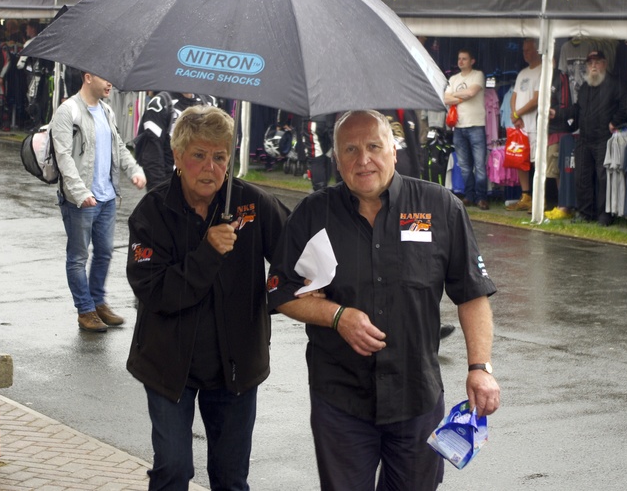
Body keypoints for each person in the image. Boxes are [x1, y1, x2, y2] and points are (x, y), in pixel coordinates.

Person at [267, 110, 500, 491]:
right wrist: (336, 315)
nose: (364, 160)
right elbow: (282, 291)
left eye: (374, 146)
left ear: (393, 148)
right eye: (351, 149)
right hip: (340, 399)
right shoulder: (313, 214)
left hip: (416, 398)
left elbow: (472, 294)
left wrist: (480, 367)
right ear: (336, 157)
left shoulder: (439, 207)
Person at [126, 105, 289, 490]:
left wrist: (278, 299)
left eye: (220, 157)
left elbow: (299, 256)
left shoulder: (251, 203)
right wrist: (208, 252)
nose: (210, 167)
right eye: (199, 155)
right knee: (172, 470)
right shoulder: (152, 213)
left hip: (235, 368)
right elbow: (156, 292)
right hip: (168, 367)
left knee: (232, 479)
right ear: (178, 157)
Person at [50, 71, 146, 332]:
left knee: (104, 252)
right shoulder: (68, 111)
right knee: (78, 256)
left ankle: (98, 302)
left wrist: (134, 170)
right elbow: (64, 157)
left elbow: (119, 147)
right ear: (88, 77)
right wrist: (81, 192)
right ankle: (85, 310)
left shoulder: (107, 111)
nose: (110, 82)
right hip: (79, 201)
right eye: (105, 77)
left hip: (107, 197)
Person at [573, 50, 627, 226]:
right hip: (584, 139)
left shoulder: (614, 84)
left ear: (604, 64)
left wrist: (615, 122)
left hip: (603, 138)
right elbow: (576, 110)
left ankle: (604, 215)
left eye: (597, 62)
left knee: (604, 178)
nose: (593, 66)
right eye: (590, 63)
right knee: (582, 176)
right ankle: (584, 212)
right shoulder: (584, 87)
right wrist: (557, 114)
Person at [134, 91, 211, 190]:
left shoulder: (208, 103)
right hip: (170, 183)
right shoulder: (160, 104)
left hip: (198, 184)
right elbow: (152, 154)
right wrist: (159, 192)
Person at [444, 49, 489, 210]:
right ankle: (469, 195)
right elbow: (445, 98)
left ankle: (481, 197)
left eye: (464, 59)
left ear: (472, 61)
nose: (460, 61)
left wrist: (455, 96)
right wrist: (462, 96)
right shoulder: (453, 78)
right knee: (464, 165)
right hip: (458, 126)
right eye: (459, 58)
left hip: (476, 124)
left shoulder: (478, 75)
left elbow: (472, 92)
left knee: (479, 164)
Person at [507, 38, 542, 211]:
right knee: (521, 159)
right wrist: (515, 115)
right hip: (520, 124)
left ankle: (539, 197)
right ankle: (525, 195)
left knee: (536, 160)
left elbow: (536, 99)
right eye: (523, 51)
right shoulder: (522, 72)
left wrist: (517, 113)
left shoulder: (543, 70)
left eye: (528, 50)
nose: (525, 54)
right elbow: (514, 96)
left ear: (537, 50)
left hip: (534, 124)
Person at [544, 57, 579, 220]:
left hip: (559, 130)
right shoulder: (543, 77)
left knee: (559, 170)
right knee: (552, 170)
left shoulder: (561, 77)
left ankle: (563, 206)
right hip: (547, 130)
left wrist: (554, 112)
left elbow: (565, 106)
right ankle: (560, 204)